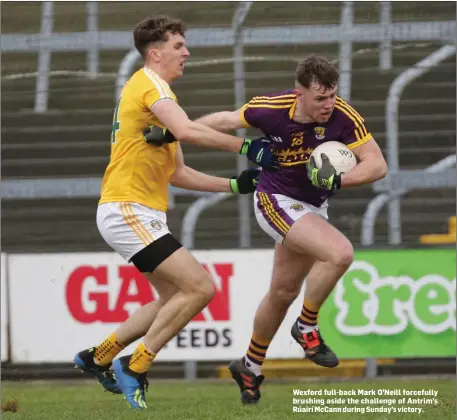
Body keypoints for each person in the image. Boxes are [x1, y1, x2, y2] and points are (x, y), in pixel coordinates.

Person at [151, 55, 388, 404]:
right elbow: (227, 120)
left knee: (282, 293)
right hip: (275, 199)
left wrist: (338, 178)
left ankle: (250, 366)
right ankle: (306, 327)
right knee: (340, 253)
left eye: (333, 95)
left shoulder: (343, 116)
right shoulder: (272, 107)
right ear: (299, 93)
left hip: (312, 207)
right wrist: (174, 132)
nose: (329, 105)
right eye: (320, 98)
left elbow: (377, 165)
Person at [73, 15, 279, 410]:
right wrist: (247, 148)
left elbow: (177, 172)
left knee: (174, 296)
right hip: (126, 208)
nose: (186, 52)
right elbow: (187, 131)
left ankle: (97, 357)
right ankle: (135, 365)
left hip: (135, 210)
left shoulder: (156, 94)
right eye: (179, 46)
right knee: (201, 288)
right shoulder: (150, 85)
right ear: (156, 53)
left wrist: (233, 185)